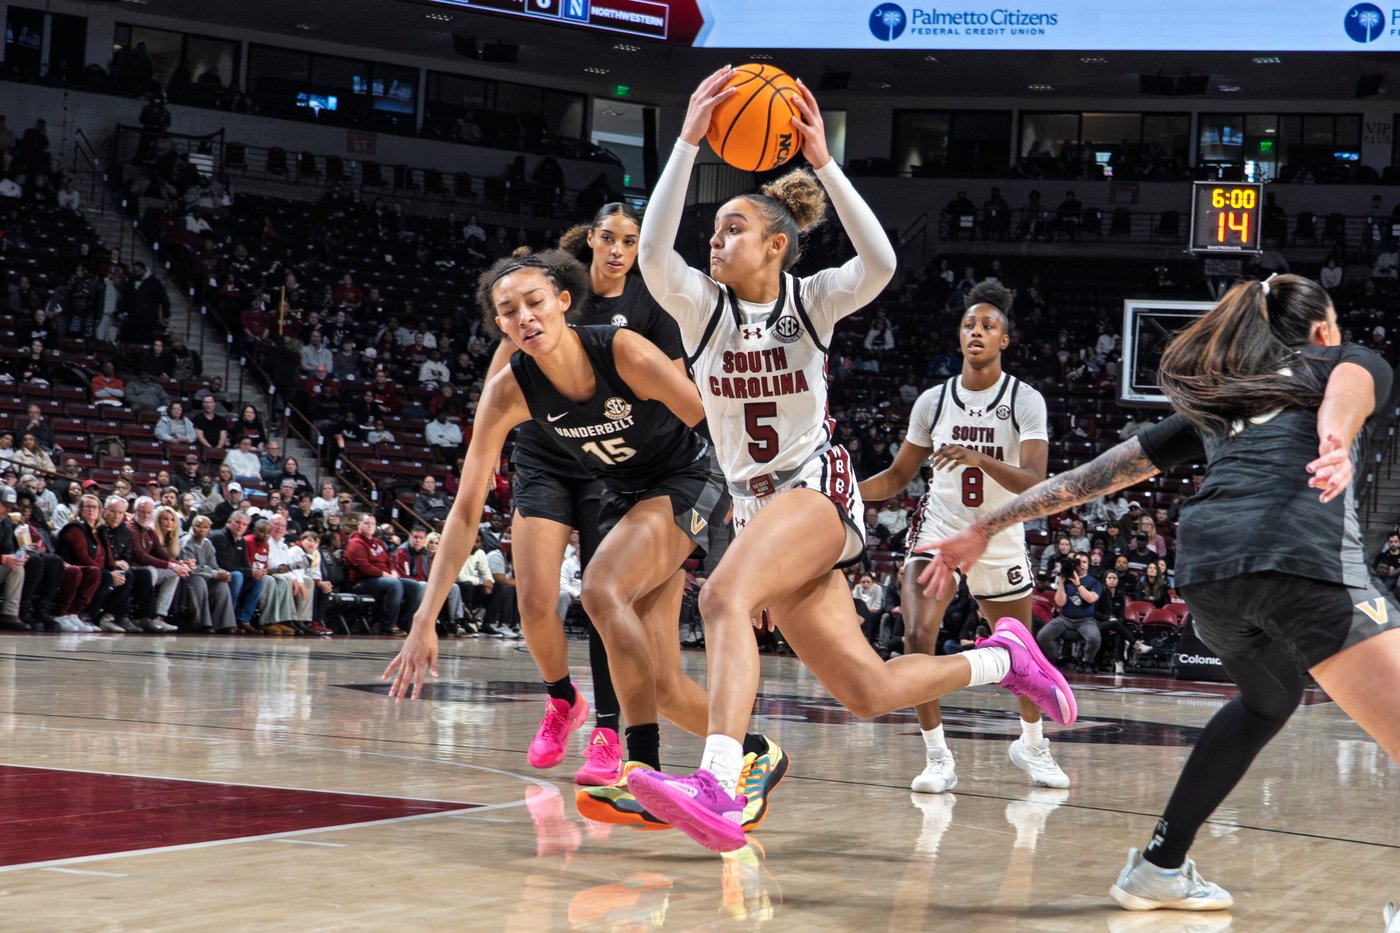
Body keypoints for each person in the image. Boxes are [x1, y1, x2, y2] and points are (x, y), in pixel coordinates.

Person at [617, 68, 1074, 853]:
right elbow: (654, 249)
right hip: (759, 512)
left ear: (776, 243)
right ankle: (1003, 660)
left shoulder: (811, 300)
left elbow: (884, 264)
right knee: (868, 689)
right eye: (714, 231)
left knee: (721, 597)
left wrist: (825, 161)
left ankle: (721, 781)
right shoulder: (700, 307)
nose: (714, 240)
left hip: (815, 493)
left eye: (730, 228)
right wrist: (687, 140)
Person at [915, 274, 1400, 917]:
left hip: (1205, 568)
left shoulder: (1223, 398)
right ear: (1321, 331)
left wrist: (984, 527)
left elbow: (1096, 475)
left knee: (1266, 702)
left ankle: (1159, 868)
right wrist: (1335, 438)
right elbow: (1349, 389)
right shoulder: (1343, 357)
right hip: (1295, 556)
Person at [383, 249, 786, 837]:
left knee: (601, 586)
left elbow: (721, 431)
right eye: (510, 310)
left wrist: (757, 547)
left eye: (535, 302)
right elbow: (467, 508)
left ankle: (640, 770)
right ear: (500, 325)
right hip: (629, 494)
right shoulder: (508, 391)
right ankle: (759, 751)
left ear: (564, 302)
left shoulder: (622, 351)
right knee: (666, 685)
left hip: (691, 477)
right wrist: (425, 618)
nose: (525, 317)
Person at [468, 201, 693, 787]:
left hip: (613, 453)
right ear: (589, 240)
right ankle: (562, 699)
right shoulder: (542, 291)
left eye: (630, 240)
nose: (618, 249)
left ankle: (610, 733)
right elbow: (504, 375)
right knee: (536, 598)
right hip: (548, 448)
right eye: (608, 237)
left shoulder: (652, 304)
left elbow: (681, 400)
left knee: (602, 595)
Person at [860, 280, 1066, 795]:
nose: (977, 331)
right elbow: (897, 477)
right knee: (916, 637)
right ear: (960, 336)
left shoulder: (1025, 399)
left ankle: (1033, 744)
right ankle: (936, 757)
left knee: (1022, 651)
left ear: (1004, 340)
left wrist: (980, 458)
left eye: (988, 326)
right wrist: (837, 488)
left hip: (998, 533)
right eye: (969, 325)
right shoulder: (933, 401)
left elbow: (1037, 478)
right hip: (940, 529)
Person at [1035, 552, 1102, 671]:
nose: (1081, 564)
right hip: (1064, 618)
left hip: (1086, 620)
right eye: (1078, 561)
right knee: (1042, 636)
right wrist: (1061, 581)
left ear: (1088, 565)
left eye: (1084, 562)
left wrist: (1078, 584)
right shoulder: (1066, 581)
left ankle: (1086, 661)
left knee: (1094, 638)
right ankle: (1057, 658)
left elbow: (1091, 599)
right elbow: (1060, 603)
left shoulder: (1094, 582)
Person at [180, 513, 236, 632]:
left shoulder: (208, 543)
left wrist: (223, 573)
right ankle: (203, 623)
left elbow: (213, 566)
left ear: (209, 530)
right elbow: (192, 569)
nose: (201, 529)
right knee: (199, 581)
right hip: (188, 577)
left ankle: (224, 624)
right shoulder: (186, 542)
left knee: (222, 584)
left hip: (206, 576)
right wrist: (215, 574)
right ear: (192, 526)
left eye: (205, 527)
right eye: (198, 526)